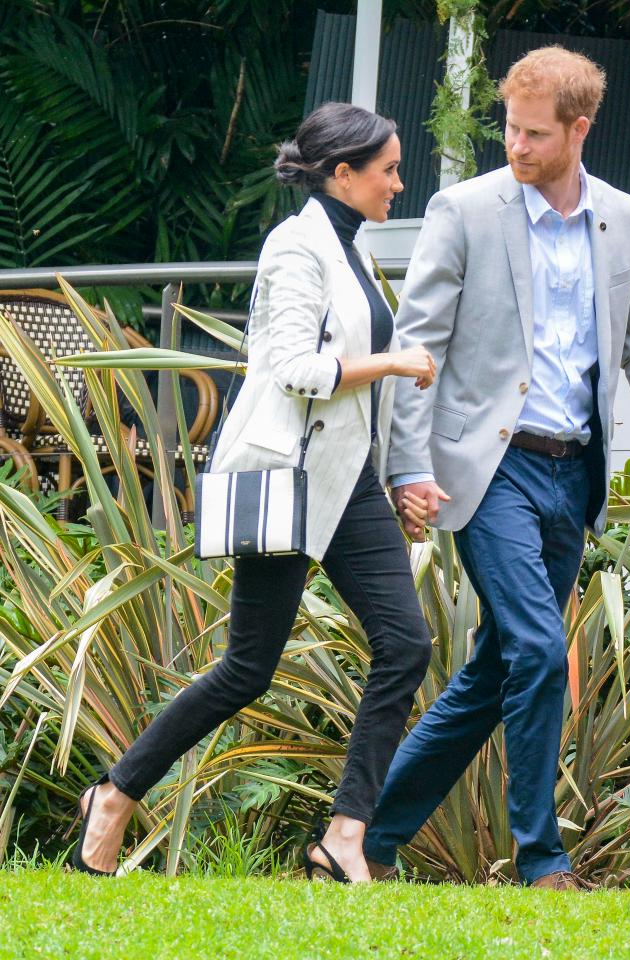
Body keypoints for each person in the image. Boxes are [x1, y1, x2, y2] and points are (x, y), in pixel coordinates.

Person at [362, 46, 630, 890]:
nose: (514, 145)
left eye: (532, 133)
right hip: (490, 471)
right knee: (539, 648)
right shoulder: (465, 209)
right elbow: (418, 348)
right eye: (510, 128)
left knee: (498, 669)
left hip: (573, 474)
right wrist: (408, 465)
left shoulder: (623, 218)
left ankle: (365, 841)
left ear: (578, 130)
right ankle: (542, 860)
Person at [71, 102, 434, 884]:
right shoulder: (294, 247)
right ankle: (115, 794)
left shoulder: (353, 251)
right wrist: (397, 362)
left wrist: (402, 475)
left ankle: (345, 835)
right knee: (248, 669)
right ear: (343, 174)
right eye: (389, 169)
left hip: (352, 484)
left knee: (406, 644)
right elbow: (295, 370)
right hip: (291, 482)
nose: (399, 184)